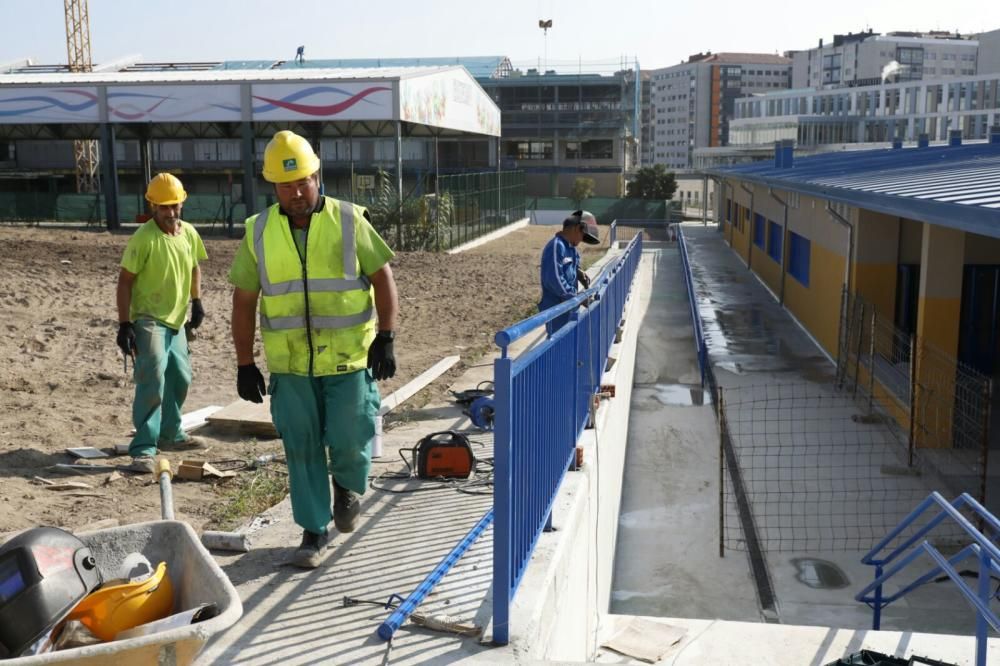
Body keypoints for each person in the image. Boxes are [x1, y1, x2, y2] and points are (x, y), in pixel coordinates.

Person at [229, 130, 399, 569]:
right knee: (301, 448)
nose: (297, 193)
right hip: (290, 366)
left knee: (351, 437)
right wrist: (245, 363)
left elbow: (382, 277)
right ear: (273, 187)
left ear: (317, 177)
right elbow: (244, 300)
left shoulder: (349, 219)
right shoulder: (258, 231)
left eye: (303, 182)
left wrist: (386, 336)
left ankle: (346, 486)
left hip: (347, 359)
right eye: (286, 185)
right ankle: (312, 531)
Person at [116, 173, 208, 473]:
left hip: (176, 319)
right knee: (152, 376)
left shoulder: (189, 233)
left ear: (182, 204)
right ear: (153, 206)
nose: (170, 212)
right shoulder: (144, 238)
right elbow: (125, 281)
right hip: (148, 317)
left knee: (180, 376)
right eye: (163, 207)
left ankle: (171, 433)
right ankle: (143, 447)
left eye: (174, 205)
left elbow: (194, 267)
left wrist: (196, 300)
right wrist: (125, 323)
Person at [538, 210, 601, 334]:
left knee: (570, 337)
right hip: (557, 309)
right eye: (582, 235)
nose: (581, 240)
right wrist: (576, 298)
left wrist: (579, 273)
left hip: (569, 307)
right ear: (576, 228)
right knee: (558, 340)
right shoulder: (556, 246)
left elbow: (571, 267)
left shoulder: (572, 249)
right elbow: (554, 278)